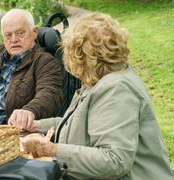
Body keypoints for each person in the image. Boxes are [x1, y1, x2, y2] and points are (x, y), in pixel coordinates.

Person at [20, 13, 174, 179]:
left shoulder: (116, 89)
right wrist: (37, 126)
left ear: (82, 56)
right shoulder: (101, 78)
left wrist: (51, 150)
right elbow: (78, 124)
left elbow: (114, 161)